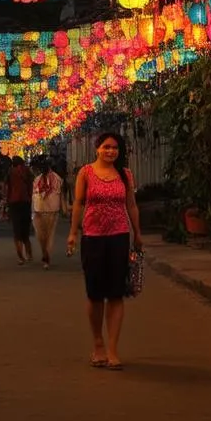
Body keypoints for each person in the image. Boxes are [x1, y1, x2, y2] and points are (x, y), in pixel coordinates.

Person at [66, 132, 143, 370]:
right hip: (93, 238)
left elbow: (131, 204)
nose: (111, 151)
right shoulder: (86, 173)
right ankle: (98, 343)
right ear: (97, 148)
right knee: (95, 294)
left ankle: (113, 349)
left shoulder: (125, 175)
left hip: (119, 237)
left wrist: (137, 233)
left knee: (116, 294)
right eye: (107, 147)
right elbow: (78, 203)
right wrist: (72, 233)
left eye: (115, 148)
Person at [31, 156, 64, 269]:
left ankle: (46, 255)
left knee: (44, 235)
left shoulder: (43, 180)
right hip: (44, 210)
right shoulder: (55, 179)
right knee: (45, 235)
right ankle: (46, 254)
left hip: (45, 210)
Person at [7, 155, 34, 265]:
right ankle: (29, 254)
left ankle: (20, 257)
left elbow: (7, 187)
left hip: (14, 202)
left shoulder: (10, 172)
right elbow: (31, 186)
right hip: (26, 202)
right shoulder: (27, 171)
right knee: (25, 231)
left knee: (17, 231)